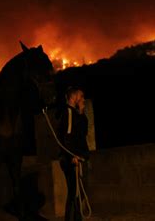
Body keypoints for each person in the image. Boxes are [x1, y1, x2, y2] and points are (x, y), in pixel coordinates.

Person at [57, 87, 90, 221]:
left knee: (77, 192)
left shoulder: (74, 113)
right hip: (70, 158)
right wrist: (72, 156)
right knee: (73, 192)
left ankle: (77, 218)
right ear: (73, 97)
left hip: (76, 157)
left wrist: (82, 112)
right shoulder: (68, 113)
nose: (82, 98)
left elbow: (83, 133)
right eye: (80, 96)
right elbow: (66, 137)